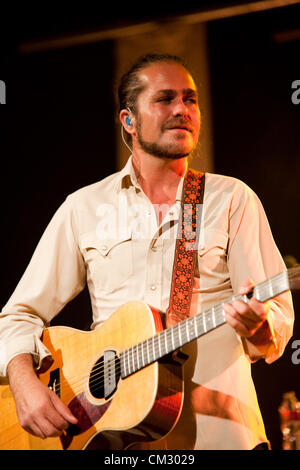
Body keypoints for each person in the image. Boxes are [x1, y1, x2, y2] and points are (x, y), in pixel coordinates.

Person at [0, 53, 294, 450]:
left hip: (221, 437)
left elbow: (277, 319)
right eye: (165, 99)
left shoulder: (231, 198)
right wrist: (23, 383)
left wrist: (261, 329)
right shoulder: (83, 208)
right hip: (112, 442)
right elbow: (18, 314)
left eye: (190, 99)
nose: (181, 110)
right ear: (128, 120)